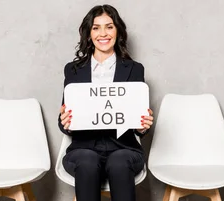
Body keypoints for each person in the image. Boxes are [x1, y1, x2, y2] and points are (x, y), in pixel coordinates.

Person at [57, 4, 154, 201]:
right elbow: (66, 118)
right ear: (88, 34)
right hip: (83, 149)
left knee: (119, 161)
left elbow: (137, 123)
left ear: (118, 31)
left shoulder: (134, 69)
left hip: (124, 149)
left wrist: (143, 126)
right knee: (87, 160)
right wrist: (65, 121)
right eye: (96, 27)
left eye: (109, 26)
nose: (103, 33)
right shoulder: (74, 70)